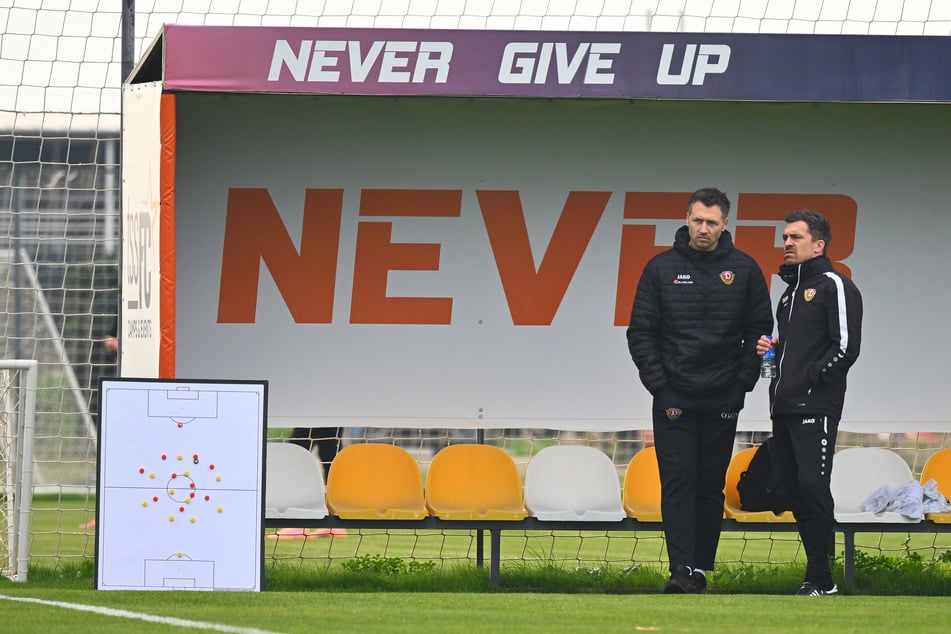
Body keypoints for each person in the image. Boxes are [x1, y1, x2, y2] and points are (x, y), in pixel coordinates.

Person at [627, 187, 773, 594]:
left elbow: (760, 331)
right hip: (674, 397)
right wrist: (660, 385)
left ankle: (701, 570)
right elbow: (641, 333)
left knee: (710, 484)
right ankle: (680, 571)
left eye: (712, 222)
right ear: (686, 219)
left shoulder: (744, 269)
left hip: (723, 397)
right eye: (697, 220)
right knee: (678, 482)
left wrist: (742, 382)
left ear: (725, 224)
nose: (703, 228)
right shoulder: (660, 268)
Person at [756, 209, 862, 597]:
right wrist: (774, 350)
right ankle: (818, 577)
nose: (787, 243)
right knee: (795, 492)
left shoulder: (836, 284)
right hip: (783, 409)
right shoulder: (787, 295)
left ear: (818, 244)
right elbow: (795, 350)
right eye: (785, 237)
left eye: (796, 237)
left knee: (813, 487)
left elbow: (846, 348)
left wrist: (806, 380)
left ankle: (820, 579)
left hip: (815, 408)